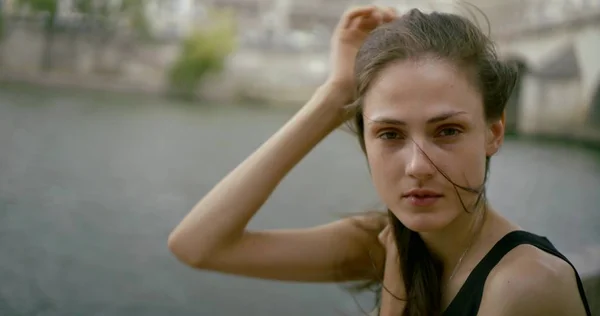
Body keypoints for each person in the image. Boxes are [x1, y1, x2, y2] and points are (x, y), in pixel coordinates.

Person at [167, 6, 592, 316]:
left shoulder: (523, 287)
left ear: (493, 133)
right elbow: (198, 245)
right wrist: (334, 97)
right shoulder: (385, 241)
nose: (417, 166)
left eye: (447, 131)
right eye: (389, 134)